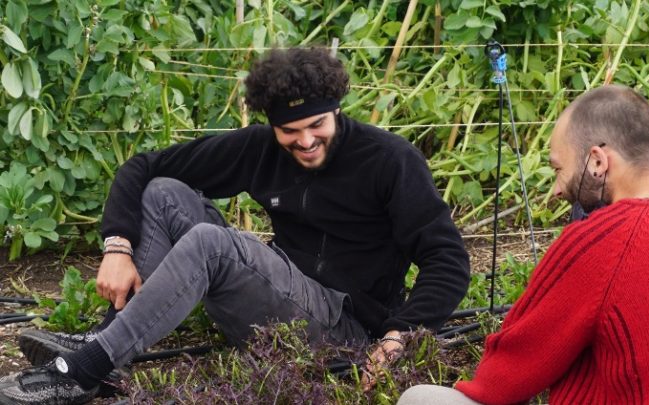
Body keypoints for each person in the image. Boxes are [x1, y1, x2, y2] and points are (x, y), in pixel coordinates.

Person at [0, 47, 470, 404]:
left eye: (317, 125)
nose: (306, 140)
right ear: (271, 125)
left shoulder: (389, 160)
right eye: (291, 131)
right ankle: (111, 336)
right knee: (164, 190)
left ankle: (84, 370)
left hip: (344, 329)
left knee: (213, 244)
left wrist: (398, 335)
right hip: (279, 299)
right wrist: (117, 246)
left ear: (337, 110)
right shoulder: (259, 147)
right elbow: (141, 167)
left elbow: (447, 259)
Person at [398, 85, 649, 404]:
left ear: (598, 161)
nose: (557, 189)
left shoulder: (604, 240)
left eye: (559, 169)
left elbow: (503, 380)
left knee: (420, 399)